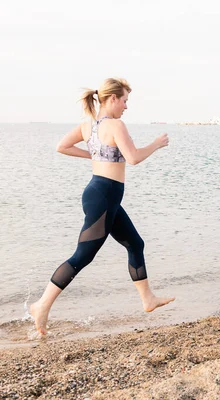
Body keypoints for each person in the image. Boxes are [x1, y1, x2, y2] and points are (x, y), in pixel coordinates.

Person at [29, 78, 175, 336]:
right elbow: (133, 158)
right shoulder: (116, 125)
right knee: (83, 255)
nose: (127, 107)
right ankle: (42, 305)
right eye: (125, 100)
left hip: (102, 193)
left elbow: (62, 146)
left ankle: (147, 299)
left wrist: (93, 155)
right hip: (105, 195)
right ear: (112, 99)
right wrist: (156, 144)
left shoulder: (88, 126)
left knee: (135, 243)